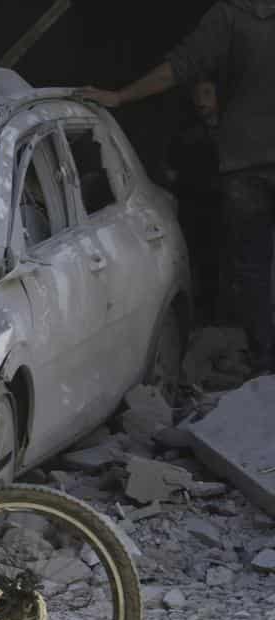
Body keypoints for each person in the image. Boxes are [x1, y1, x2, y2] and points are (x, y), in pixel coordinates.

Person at [80, 0, 275, 372]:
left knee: (252, 267)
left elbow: (180, 67)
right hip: (244, 164)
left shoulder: (231, 15)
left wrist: (120, 96)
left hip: (244, 163)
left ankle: (267, 360)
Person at [164, 81, 223, 324]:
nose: (201, 101)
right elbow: (170, 172)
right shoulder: (186, 135)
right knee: (198, 260)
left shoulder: (234, 130)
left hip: (226, 208)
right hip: (195, 208)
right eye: (197, 94)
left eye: (207, 93)